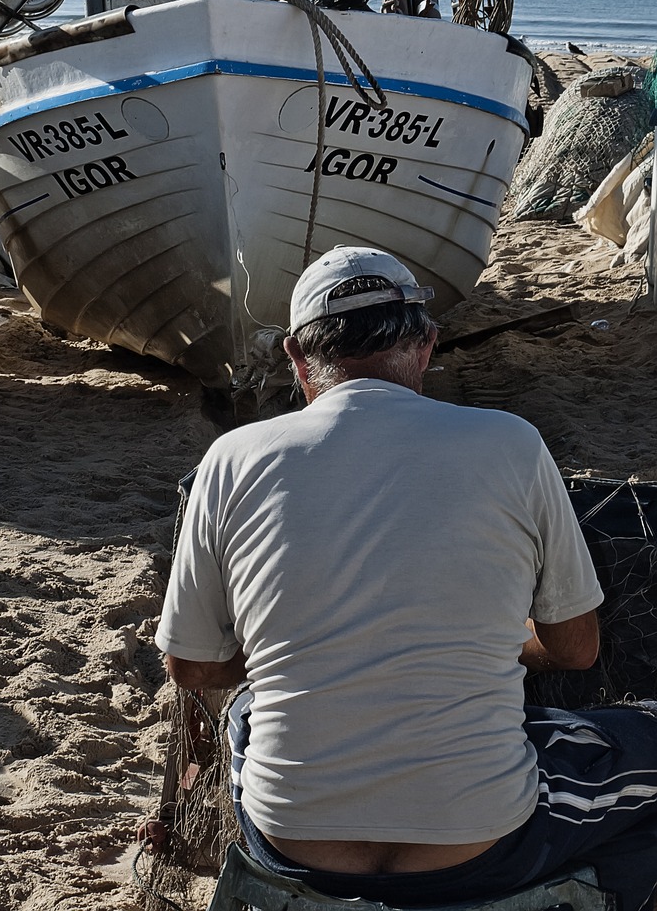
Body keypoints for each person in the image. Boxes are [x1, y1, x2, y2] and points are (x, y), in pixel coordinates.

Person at [156, 246, 657, 911]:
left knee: (251, 711)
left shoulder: (231, 459)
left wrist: (304, 650)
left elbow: (190, 666)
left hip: (292, 842)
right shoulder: (509, 443)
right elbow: (574, 650)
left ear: (298, 361)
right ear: (424, 345)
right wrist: (485, 642)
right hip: (476, 844)